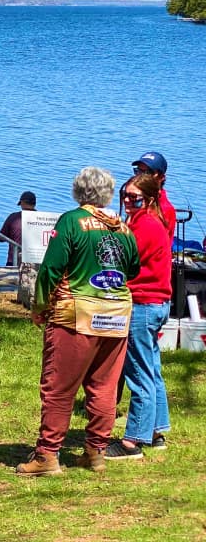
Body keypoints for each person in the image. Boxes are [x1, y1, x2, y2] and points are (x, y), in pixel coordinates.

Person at [16, 167, 139, 476]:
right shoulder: (123, 228)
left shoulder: (71, 221)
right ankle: (95, 452)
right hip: (116, 315)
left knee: (59, 387)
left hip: (76, 314)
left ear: (78, 192)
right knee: (103, 387)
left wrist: (39, 306)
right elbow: (133, 269)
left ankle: (47, 455)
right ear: (108, 194)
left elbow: (51, 268)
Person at [107, 173, 172, 460]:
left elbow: (123, 261)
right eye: (124, 196)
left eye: (134, 198)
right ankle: (156, 431)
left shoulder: (145, 225)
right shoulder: (148, 221)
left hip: (143, 305)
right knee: (152, 369)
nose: (127, 201)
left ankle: (132, 441)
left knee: (139, 374)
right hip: (156, 303)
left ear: (149, 198)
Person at [131, 151, 176, 238]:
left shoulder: (164, 209)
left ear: (161, 177)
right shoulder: (134, 200)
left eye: (147, 173)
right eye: (138, 171)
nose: (140, 177)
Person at [0, 191, 36, 267]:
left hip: (14, 262)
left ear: (22, 203)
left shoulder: (13, 217)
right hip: (35, 262)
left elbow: (0, 238)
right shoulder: (43, 219)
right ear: (34, 204)